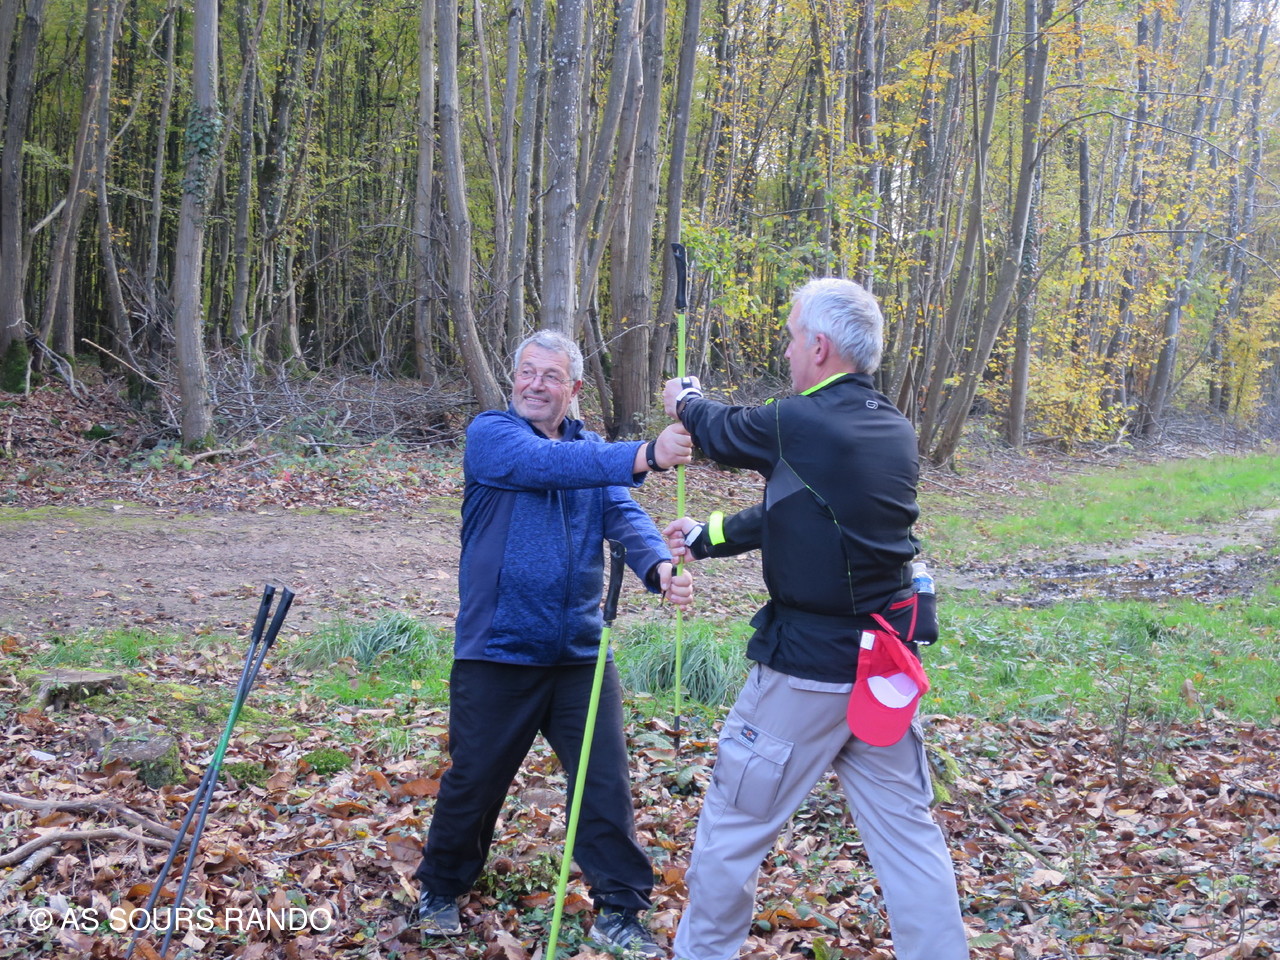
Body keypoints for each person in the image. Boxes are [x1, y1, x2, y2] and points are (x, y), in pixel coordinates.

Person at [660, 278, 969, 960]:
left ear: (821, 347)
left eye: (794, 337)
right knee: (908, 838)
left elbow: (719, 429)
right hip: (880, 670)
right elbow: (804, 510)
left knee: (733, 827)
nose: (788, 350)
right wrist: (710, 536)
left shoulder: (800, 420)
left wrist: (684, 399)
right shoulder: (890, 428)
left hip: (804, 673)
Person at [413, 329, 694, 958]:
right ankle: (440, 888)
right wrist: (648, 453)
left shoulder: (589, 451)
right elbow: (547, 467)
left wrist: (657, 567)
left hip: (579, 655)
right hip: (498, 650)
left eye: (551, 376)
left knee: (604, 783)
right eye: (527, 372)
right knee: (475, 781)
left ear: (574, 388)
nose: (535, 385)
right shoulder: (493, 436)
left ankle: (620, 909)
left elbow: (622, 515)